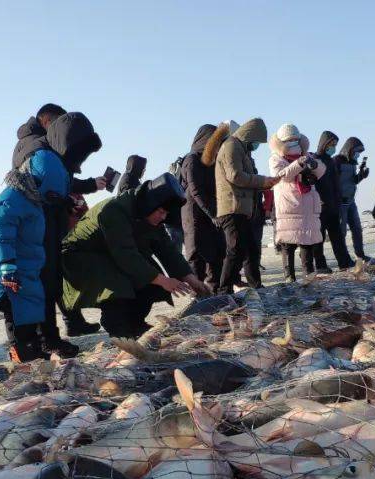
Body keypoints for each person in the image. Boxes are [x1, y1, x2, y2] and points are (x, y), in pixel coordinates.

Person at [61, 174, 210, 338]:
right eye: (160, 211)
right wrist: (163, 280)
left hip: (110, 254)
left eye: (166, 213)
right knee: (121, 282)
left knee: (151, 280)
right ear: (150, 203)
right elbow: (125, 255)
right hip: (79, 256)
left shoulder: (149, 214)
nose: (163, 217)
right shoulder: (114, 210)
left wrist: (191, 279)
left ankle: (135, 322)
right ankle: (118, 327)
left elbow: (168, 251)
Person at [0, 131, 76, 363]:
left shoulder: (33, 199)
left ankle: (34, 349)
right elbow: (1, 232)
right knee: (16, 314)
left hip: (28, 269)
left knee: (30, 312)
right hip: (9, 271)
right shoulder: (12, 199)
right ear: (36, 180)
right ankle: (20, 354)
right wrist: (7, 265)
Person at [12, 112, 103, 357]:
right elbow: (40, 195)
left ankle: (46, 338)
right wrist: (61, 203)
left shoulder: (49, 155)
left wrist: (64, 204)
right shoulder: (43, 155)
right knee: (44, 282)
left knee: (49, 280)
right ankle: (44, 340)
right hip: (37, 229)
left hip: (45, 225)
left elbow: (48, 193)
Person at [214, 118, 279, 294]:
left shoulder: (241, 149)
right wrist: (262, 181)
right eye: (257, 141)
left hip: (242, 208)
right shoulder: (231, 146)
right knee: (235, 250)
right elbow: (235, 175)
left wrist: (263, 183)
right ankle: (224, 290)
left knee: (250, 248)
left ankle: (255, 285)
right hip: (232, 207)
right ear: (250, 136)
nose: (257, 145)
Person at [268, 124, 324, 282]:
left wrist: (314, 165)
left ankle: (309, 275)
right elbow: (282, 176)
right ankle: (289, 277)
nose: (293, 143)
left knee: (307, 242)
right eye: (289, 140)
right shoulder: (276, 158)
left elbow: (321, 171)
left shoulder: (307, 154)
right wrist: (299, 164)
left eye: (295, 139)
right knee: (288, 243)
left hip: (307, 204)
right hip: (289, 205)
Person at [180, 124, 226, 291]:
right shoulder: (191, 160)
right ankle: (197, 293)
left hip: (210, 214)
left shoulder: (211, 161)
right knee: (197, 255)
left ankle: (214, 290)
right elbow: (196, 190)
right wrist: (212, 213)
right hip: (194, 214)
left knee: (216, 253)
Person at [312, 131, 354, 271]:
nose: (334, 147)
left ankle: (345, 262)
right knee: (319, 238)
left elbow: (336, 184)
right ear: (324, 144)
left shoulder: (331, 161)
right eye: (331, 144)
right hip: (320, 207)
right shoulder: (315, 159)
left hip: (333, 206)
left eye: (335, 145)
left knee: (337, 237)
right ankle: (321, 265)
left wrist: (337, 201)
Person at [335, 137, 370, 261]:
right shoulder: (337, 161)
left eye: (360, 152)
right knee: (342, 232)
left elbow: (353, 181)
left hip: (351, 201)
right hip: (340, 203)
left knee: (357, 228)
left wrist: (361, 176)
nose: (358, 155)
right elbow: (333, 182)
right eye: (357, 152)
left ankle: (360, 255)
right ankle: (344, 258)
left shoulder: (353, 163)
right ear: (349, 149)